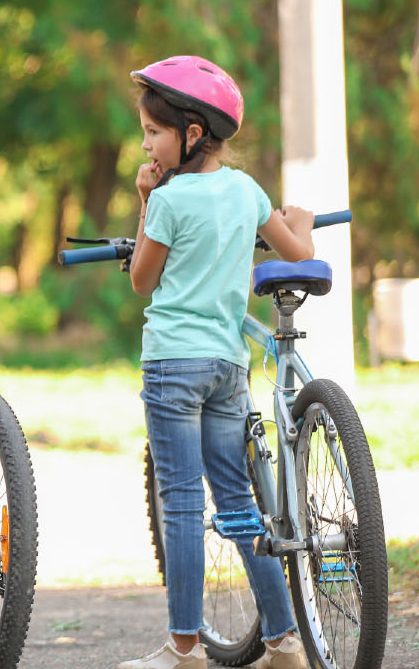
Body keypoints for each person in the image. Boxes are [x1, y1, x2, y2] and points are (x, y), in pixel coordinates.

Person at [117, 55, 314, 669]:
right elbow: (299, 252)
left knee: (180, 503)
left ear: (192, 134)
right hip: (228, 365)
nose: (146, 144)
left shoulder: (172, 201)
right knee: (236, 502)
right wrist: (299, 221)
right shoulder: (249, 191)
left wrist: (147, 199)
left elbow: (142, 282)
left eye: (153, 132)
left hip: (174, 363)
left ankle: (183, 650)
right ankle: (283, 643)